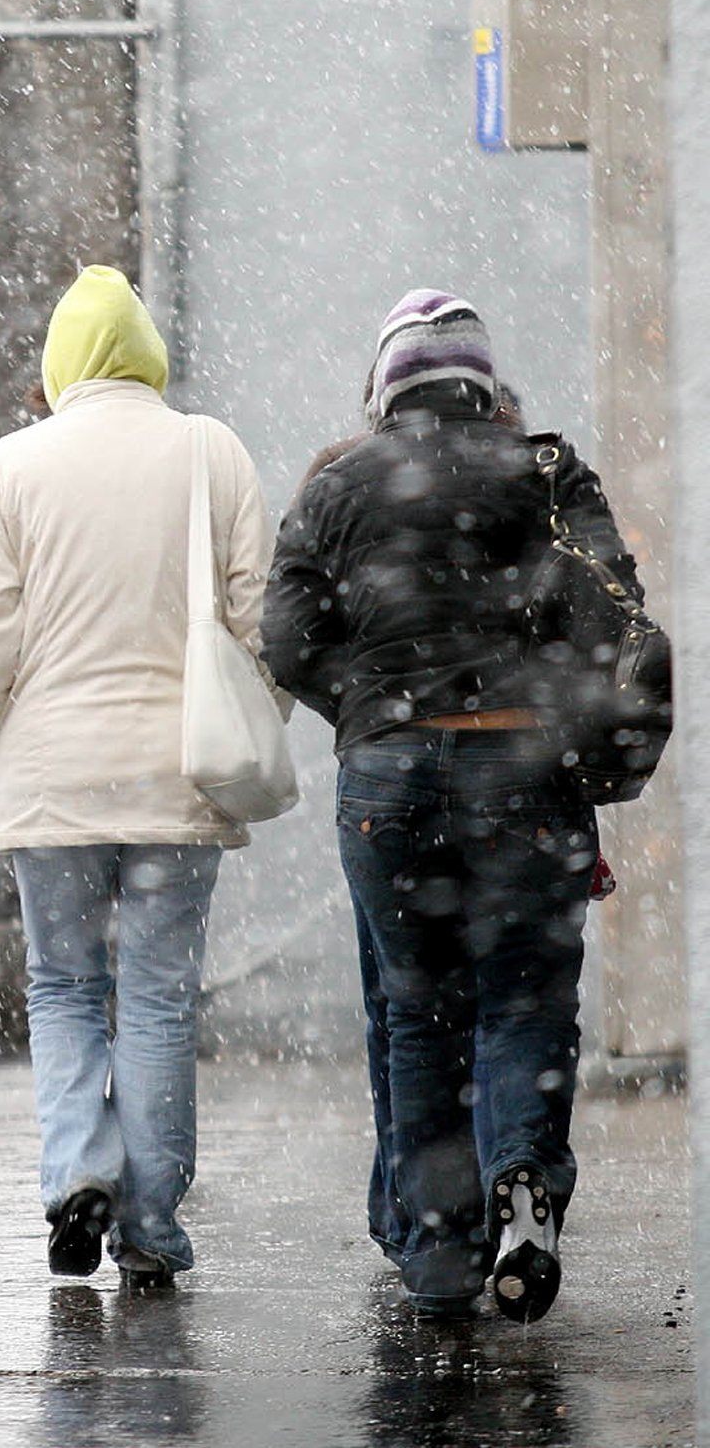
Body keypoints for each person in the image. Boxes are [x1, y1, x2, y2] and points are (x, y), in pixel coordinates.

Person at [264, 290, 631, 1323]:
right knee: (523, 1001)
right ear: (483, 380)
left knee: (417, 1013)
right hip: (525, 773)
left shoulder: (338, 484)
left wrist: (376, 710)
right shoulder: (548, 473)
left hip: (390, 781)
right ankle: (521, 1185)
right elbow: (614, 617)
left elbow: (287, 638)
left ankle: (434, 1254)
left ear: (388, 386)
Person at [0, 265, 271, 1291]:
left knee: (64, 985)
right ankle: (152, 1228)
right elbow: (259, 610)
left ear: (59, 365)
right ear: (147, 357)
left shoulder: (10, 467)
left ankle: (80, 1170)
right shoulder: (209, 450)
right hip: (179, 773)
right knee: (160, 998)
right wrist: (257, 714)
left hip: (50, 781)